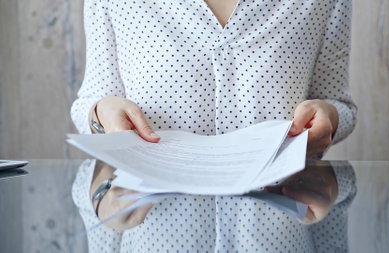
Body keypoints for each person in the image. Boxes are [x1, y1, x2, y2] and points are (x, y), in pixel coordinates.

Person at [71, 0, 357, 251]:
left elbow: (338, 104)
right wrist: (100, 113)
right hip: (152, 229)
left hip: (279, 229)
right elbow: (90, 103)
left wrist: (329, 117)